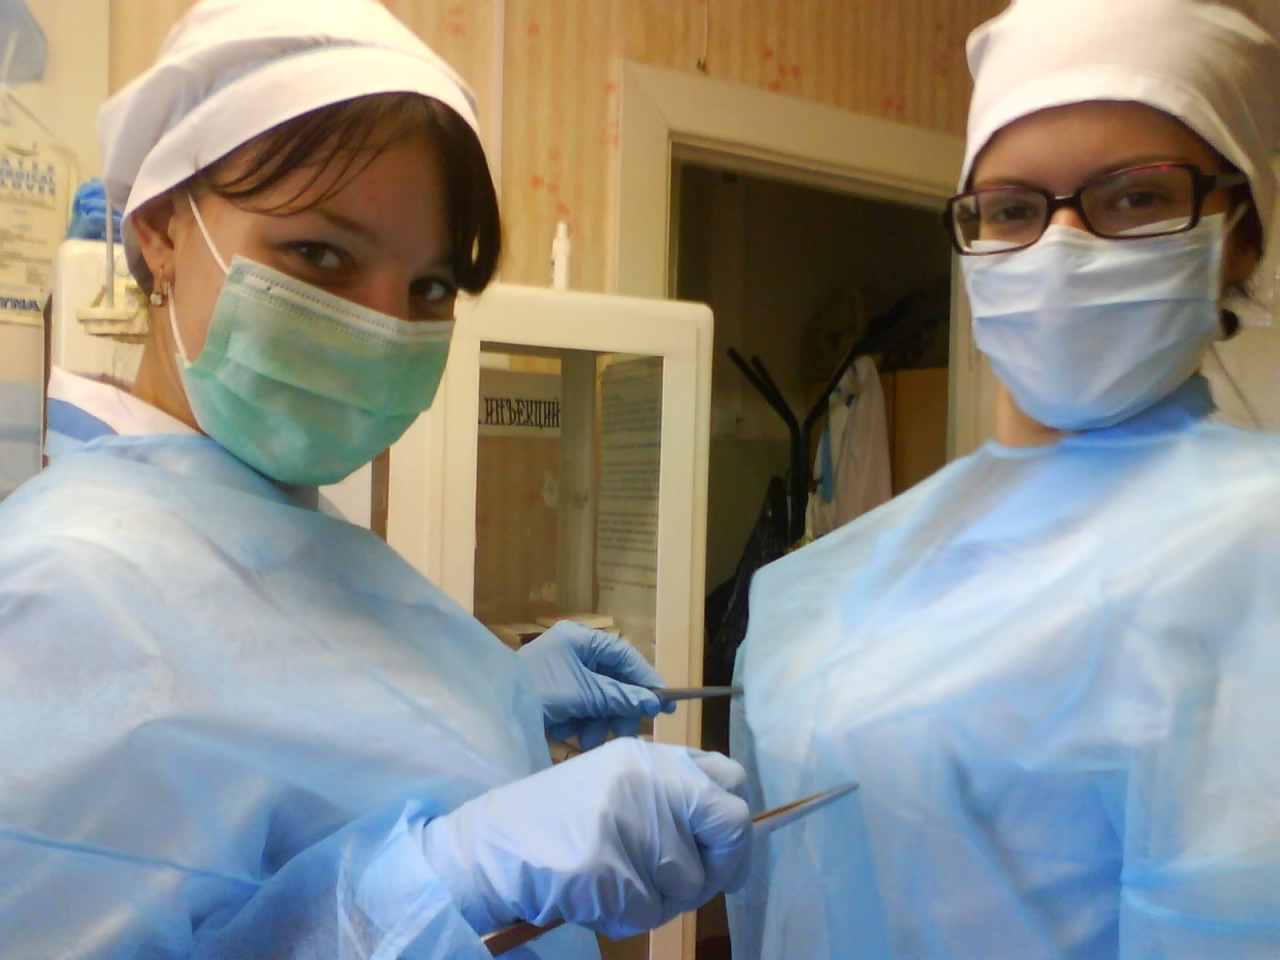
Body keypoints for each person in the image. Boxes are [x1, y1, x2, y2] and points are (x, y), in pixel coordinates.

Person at [0, 1, 752, 957]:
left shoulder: (262, 521)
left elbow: (274, 739)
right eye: (322, 255)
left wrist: (491, 698)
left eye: (431, 287)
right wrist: (449, 880)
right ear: (159, 229)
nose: (385, 325)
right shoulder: (66, 588)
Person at [729, 1, 1280, 958]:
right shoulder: (840, 575)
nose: (1062, 248)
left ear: (1238, 235)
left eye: (1134, 198)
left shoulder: (1252, 544)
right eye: (1015, 210)